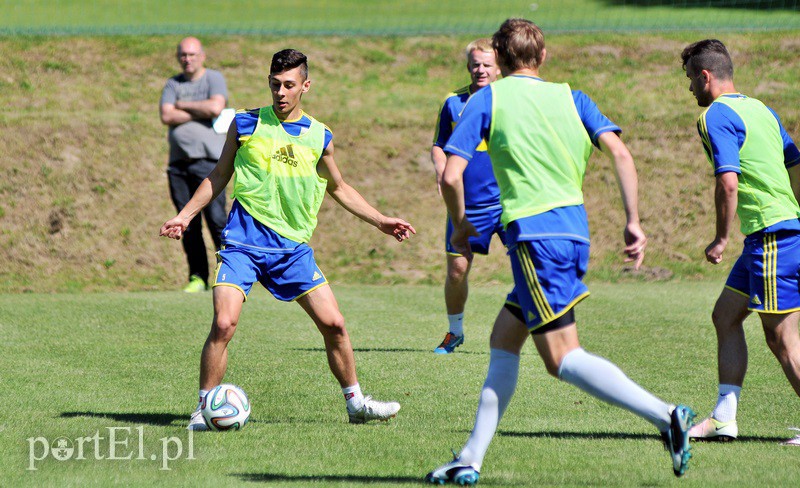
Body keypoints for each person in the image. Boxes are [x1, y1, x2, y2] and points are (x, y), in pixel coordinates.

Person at [425, 19, 695, 485]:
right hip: (573, 233)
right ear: (542, 57)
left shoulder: (488, 98)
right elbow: (622, 155)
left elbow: (450, 175)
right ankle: (469, 459)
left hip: (534, 237)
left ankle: (665, 416)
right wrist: (633, 222)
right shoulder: (574, 97)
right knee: (503, 340)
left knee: (561, 359)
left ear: (501, 61)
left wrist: (462, 224)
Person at [160, 49, 415, 429]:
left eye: (289, 85)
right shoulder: (245, 124)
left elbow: (339, 187)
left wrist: (380, 220)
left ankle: (356, 403)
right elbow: (218, 175)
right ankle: (202, 409)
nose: (281, 92)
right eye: (275, 84)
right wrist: (185, 216)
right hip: (243, 243)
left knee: (335, 325)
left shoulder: (319, 135)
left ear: (305, 86)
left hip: (291, 250)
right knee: (225, 323)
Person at [680, 39, 800, 443]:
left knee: (782, 338)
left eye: (690, 80)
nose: (690, 90)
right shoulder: (760, 109)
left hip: (771, 237)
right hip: (776, 235)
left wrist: (719, 238)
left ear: (705, 76)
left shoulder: (715, 115)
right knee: (726, 316)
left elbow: (727, 183)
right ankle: (724, 418)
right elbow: (795, 162)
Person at [431, 39, 505, 354]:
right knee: (458, 269)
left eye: (487, 64)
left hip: (508, 202)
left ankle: (540, 328)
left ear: (500, 67)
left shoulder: (511, 101)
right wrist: (440, 169)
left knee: (528, 264)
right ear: (467, 66)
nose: (481, 70)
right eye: (475, 64)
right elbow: (439, 144)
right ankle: (455, 332)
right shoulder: (453, 103)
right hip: (466, 205)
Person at [160, 37, 229, 293]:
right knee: (185, 223)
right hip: (178, 165)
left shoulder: (213, 79)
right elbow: (166, 115)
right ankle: (197, 277)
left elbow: (215, 107)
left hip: (209, 163)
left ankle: (229, 274)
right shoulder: (172, 83)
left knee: (216, 219)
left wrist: (183, 105)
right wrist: (199, 111)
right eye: (183, 55)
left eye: (192, 54)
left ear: (202, 55)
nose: (187, 59)